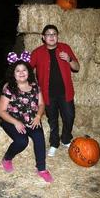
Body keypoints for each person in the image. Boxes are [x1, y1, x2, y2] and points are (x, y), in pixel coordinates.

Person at [0, 51, 53, 183]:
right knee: (22, 141)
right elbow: (1, 111)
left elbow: (41, 104)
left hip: (31, 120)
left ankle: (41, 169)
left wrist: (39, 116)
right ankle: (7, 158)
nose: (21, 72)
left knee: (39, 137)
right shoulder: (9, 88)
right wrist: (16, 122)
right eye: (18, 70)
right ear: (13, 73)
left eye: (24, 70)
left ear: (29, 72)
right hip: (11, 120)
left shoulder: (35, 87)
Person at [30, 24, 80, 157]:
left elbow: (77, 67)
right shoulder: (37, 52)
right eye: (48, 34)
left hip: (65, 93)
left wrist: (69, 59)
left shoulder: (65, 48)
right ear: (43, 37)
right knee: (52, 120)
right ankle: (54, 143)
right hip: (47, 94)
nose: (51, 36)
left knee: (69, 117)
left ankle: (65, 139)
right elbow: (26, 68)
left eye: (54, 34)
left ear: (57, 36)